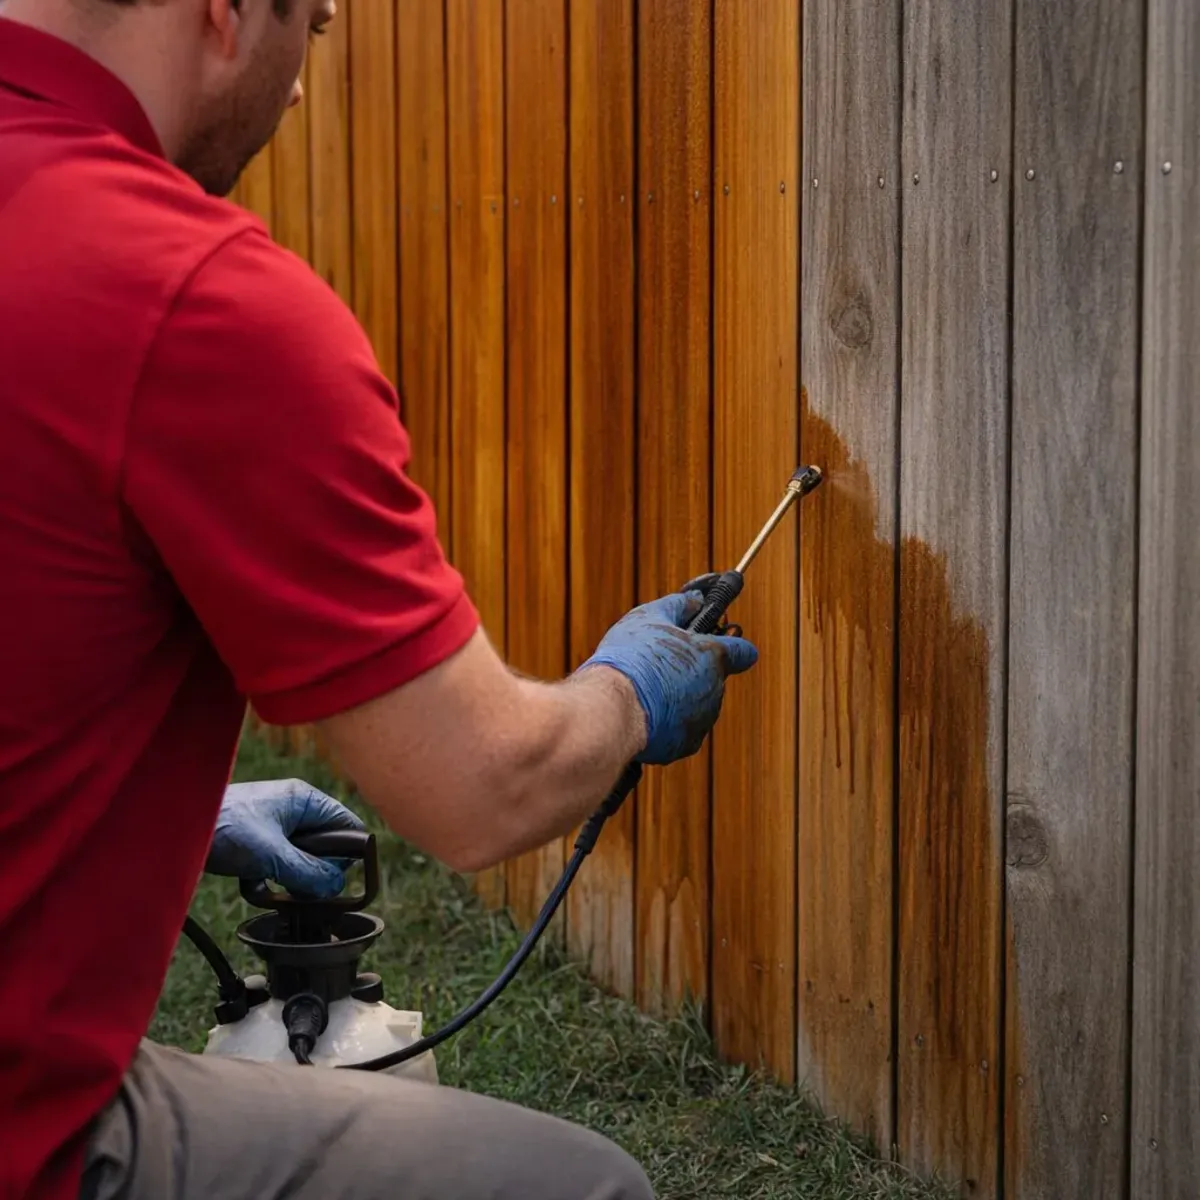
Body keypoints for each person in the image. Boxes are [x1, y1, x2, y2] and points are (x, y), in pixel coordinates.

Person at [0, 2, 759, 1198]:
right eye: (313, 15)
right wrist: (627, 692)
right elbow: (483, 785)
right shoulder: (192, 297)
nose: (314, 57)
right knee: (579, 1190)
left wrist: (173, 819)